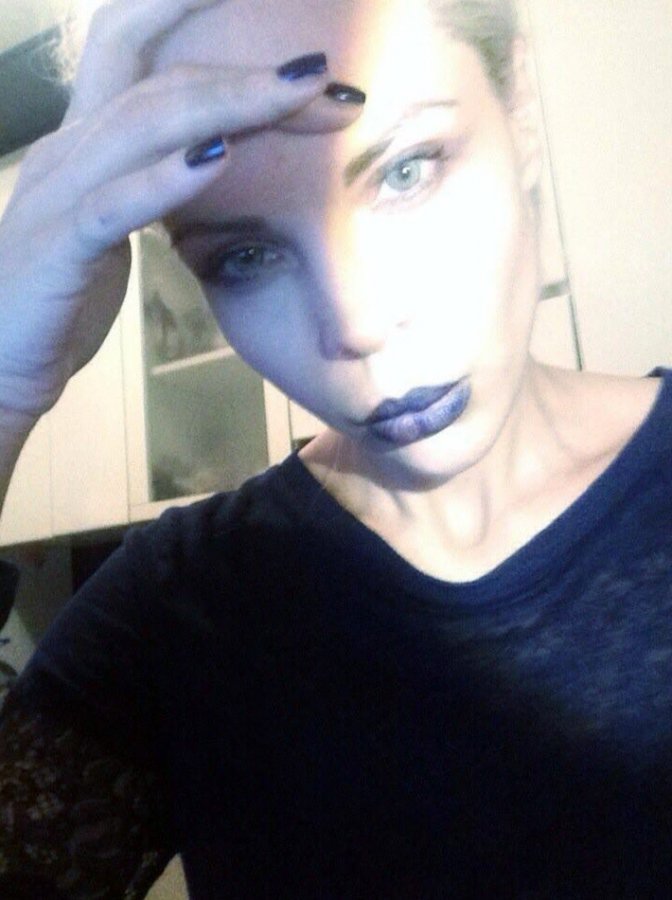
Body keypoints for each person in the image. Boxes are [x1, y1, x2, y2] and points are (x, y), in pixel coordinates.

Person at [0, 0, 670, 896]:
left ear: (517, 105)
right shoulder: (178, 609)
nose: (356, 323)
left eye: (405, 170)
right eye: (244, 256)